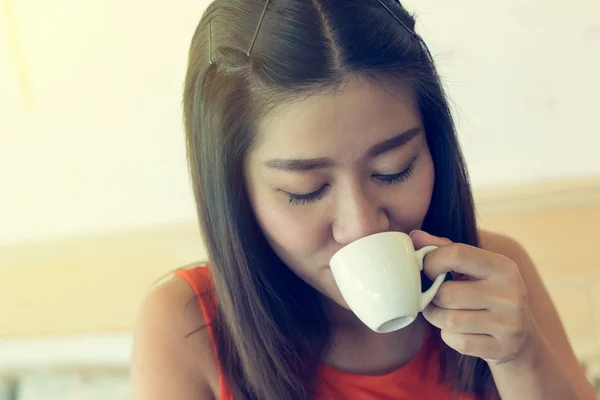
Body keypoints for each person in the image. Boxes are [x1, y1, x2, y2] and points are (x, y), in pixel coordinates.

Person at [130, 1, 595, 399]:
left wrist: (521, 359)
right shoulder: (187, 325)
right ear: (234, 194)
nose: (362, 226)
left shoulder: (495, 274)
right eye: (305, 191)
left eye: (394, 170)